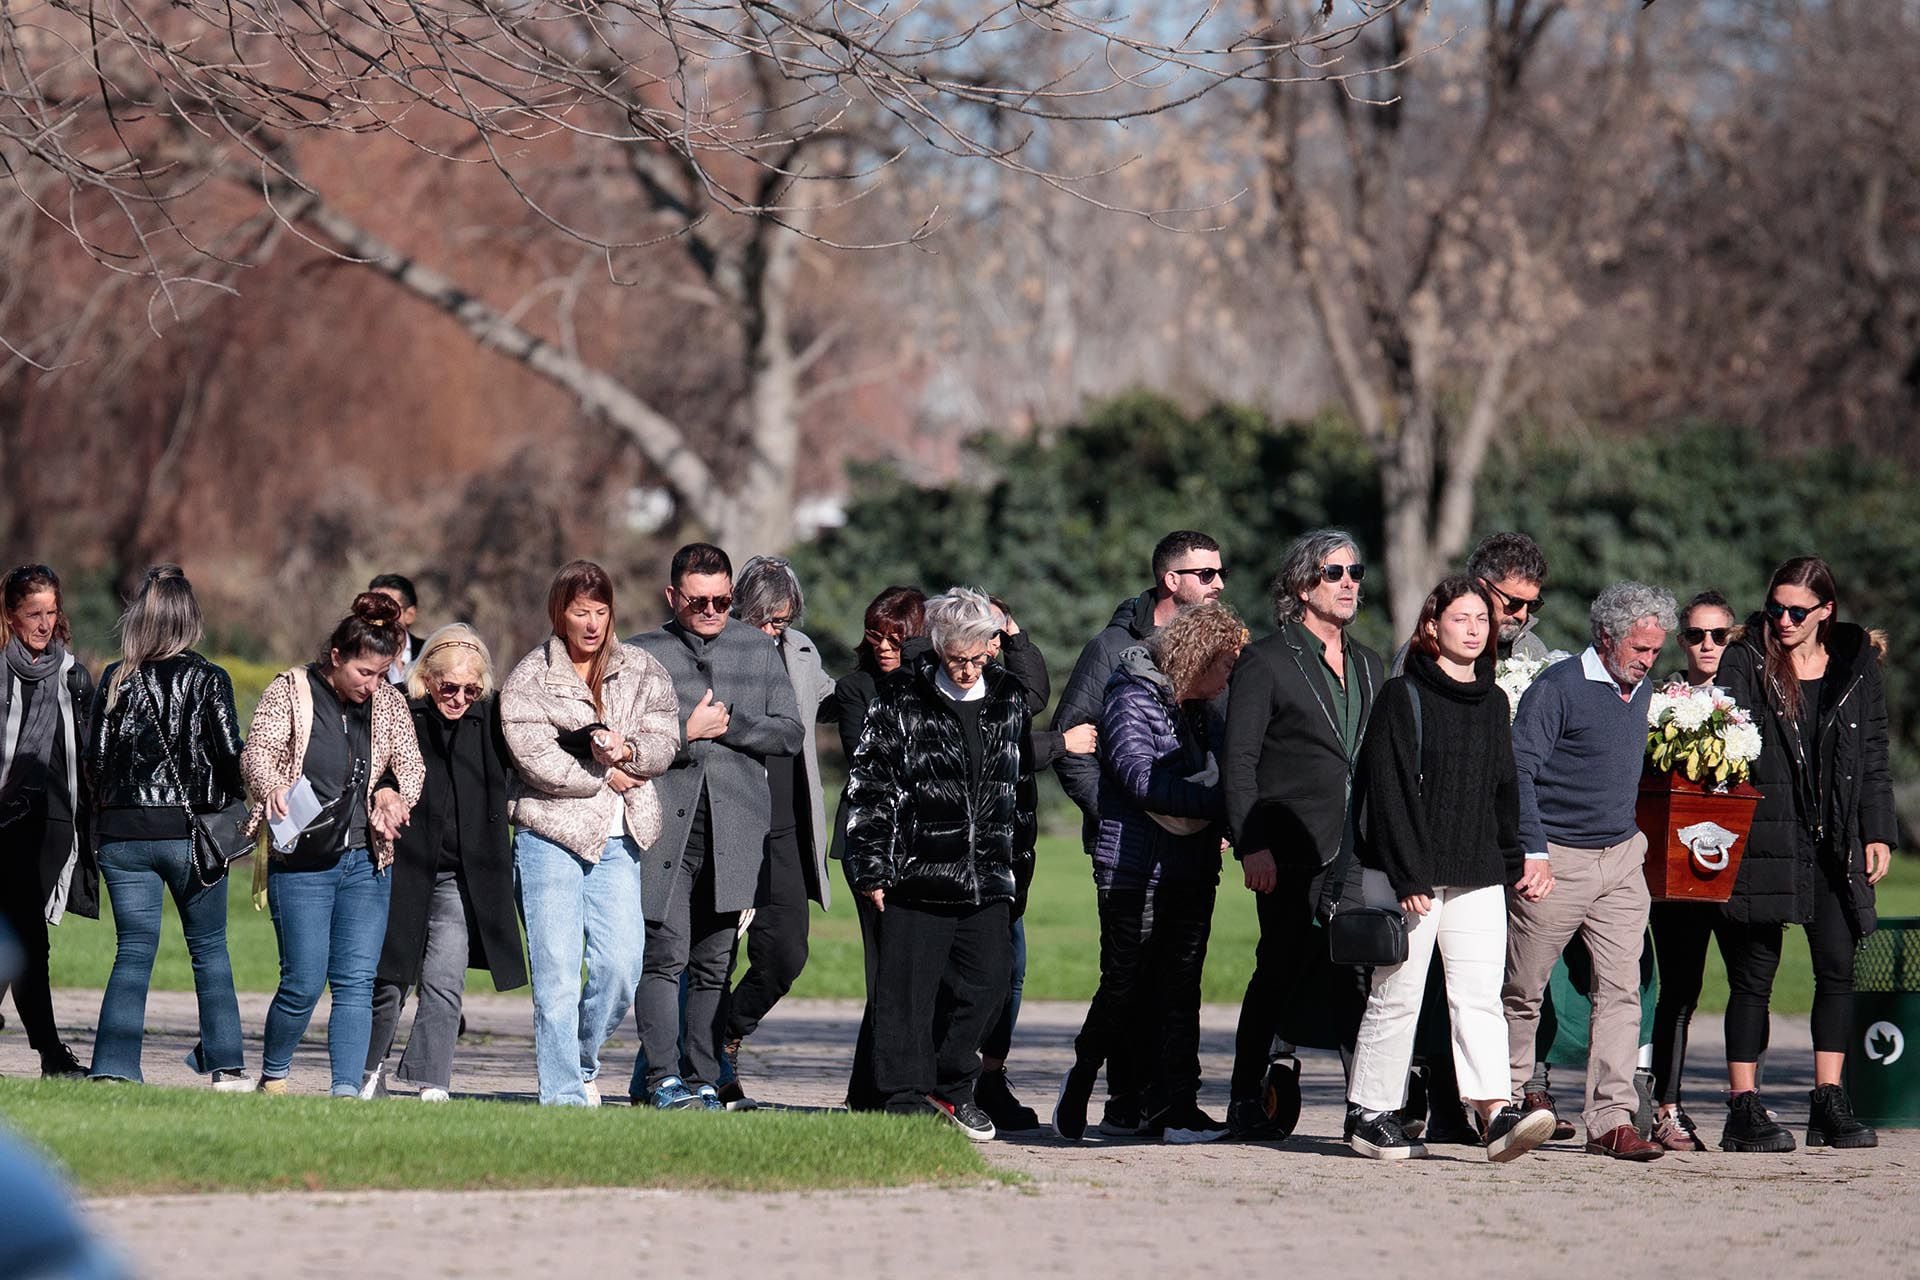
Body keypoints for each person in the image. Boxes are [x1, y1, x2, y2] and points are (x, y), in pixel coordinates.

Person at [1344, 577, 1553, 1161]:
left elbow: (1503, 790)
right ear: (1432, 627)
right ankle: (1370, 1113)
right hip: (1406, 873)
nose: (1474, 628)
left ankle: (1494, 1113)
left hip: (1477, 871)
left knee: (1479, 995)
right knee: (1398, 994)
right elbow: (1387, 793)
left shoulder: (1493, 702)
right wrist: (1410, 876)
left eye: (1482, 620)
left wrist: (1514, 863)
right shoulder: (1401, 695)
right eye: (1461, 618)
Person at [1713, 557, 1893, 1152]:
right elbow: (1724, 738)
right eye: (1776, 609)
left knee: (1836, 969)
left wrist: (1877, 831)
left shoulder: (1856, 663)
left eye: (1797, 611)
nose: (1784, 620)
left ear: (1825, 612)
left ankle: (1828, 1101)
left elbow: (1873, 755)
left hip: (1834, 841)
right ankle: (1743, 1107)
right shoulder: (1747, 659)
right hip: (1765, 836)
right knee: (1753, 977)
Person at [844, 587, 1034, 1140]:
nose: (970, 668)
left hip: (988, 877)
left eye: (980, 656)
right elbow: (870, 785)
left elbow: (1020, 791)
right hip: (917, 875)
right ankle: (903, 1097)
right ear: (939, 645)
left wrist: (1018, 867)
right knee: (906, 995)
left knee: (989, 983)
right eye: (959, 658)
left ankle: (952, 1087)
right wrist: (872, 866)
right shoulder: (902, 695)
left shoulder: (1007, 696)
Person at [1055, 601, 1244, 1143]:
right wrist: (1222, 802)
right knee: (1124, 984)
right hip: (1134, 867)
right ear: (1195, 657)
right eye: (1223, 663)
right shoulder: (1130, 695)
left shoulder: (1202, 711)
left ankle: (1177, 1105)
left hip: (1193, 864)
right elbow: (1139, 780)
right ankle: (1086, 1075)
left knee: (1182, 988)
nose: (1229, 674)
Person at [1502, 581, 1676, 1161]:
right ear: (1606, 637)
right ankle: (1507, 1103)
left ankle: (1611, 1119)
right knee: (1523, 991)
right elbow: (1518, 771)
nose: (1649, 662)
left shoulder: (1641, 687)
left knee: (1622, 992)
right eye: (1641, 649)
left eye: (1655, 651)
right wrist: (1534, 851)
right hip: (1556, 858)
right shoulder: (1556, 690)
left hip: (1622, 860)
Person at [1221, 530, 1383, 1140]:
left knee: (1358, 975)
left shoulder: (1369, 662)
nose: (1348, 583)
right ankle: (1243, 1099)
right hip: (1287, 846)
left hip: (1358, 845)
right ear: (1300, 585)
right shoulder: (1264, 660)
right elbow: (1239, 762)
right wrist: (1250, 842)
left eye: (1355, 572)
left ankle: (1365, 1109)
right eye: (1333, 572)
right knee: (1278, 969)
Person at [629, 544, 803, 1110]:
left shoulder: (757, 648)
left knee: (713, 964)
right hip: (663, 833)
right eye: (699, 600)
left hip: (734, 832)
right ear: (672, 596)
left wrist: (728, 725)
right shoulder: (640, 654)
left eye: (722, 600)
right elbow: (622, 745)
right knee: (665, 956)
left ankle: (705, 1078)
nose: (711, 610)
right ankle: (660, 1080)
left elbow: (790, 734)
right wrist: (687, 729)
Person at [501, 561, 679, 1106]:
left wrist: (630, 752)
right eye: (581, 612)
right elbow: (531, 754)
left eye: (601, 612)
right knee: (555, 974)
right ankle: (562, 1097)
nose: (593, 623)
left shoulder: (642, 669)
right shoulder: (530, 677)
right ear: (560, 613)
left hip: (620, 836)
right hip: (548, 835)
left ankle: (578, 1061)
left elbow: (666, 732)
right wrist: (604, 773)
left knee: (621, 966)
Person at [242, 592, 425, 1096]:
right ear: (337, 657)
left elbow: (410, 765)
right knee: (302, 982)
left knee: (355, 984)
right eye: (365, 672)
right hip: (301, 858)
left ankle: (345, 1094)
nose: (373, 684)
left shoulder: (388, 701)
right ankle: (274, 1076)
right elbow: (257, 750)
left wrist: (393, 794)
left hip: (366, 862)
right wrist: (272, 785)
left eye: (383, 672)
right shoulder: (292, 690)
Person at [85, 566, 249, 1089]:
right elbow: (230, 759)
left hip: (122, 835)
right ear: (191, 620)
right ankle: (225, 1066)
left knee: (132, 952)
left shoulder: (115, 678)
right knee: (209, 950)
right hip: (189, 835)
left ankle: (113, 1068)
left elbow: (96, 761)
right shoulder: (209, 679)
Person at [363, 625, 528, 1102]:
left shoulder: (493, 716)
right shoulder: (397, 708)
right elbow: (371, 761)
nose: (458, 698)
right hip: (402, 863)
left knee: (445, 977)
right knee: (391, 975)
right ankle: (368, 1067)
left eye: (471, 689)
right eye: (448, 687)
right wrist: (386, 790)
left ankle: (431, 1077)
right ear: (426, 677)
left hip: (462, 872)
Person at [717, 555, 838, 1107]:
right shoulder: (719, 651)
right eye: (765, 619)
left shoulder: (802, 652)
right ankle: (705, 1070)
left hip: (787, 830)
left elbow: (838, 699)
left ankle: (726, 1033)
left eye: (782, 621)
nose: (773, 631)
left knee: (786, 953)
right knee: (712, 955)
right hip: (729, 820)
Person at [975, 594, 1094, 1133]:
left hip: (1011, 856)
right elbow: (998, 747)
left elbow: (1033, 694)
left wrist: (1014, 631)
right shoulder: (946, 686)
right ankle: (958, 1082)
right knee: (984, 971)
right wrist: (1060, 745)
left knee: (1012, 972)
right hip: (969, 859)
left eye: (999, 636)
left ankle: (989, 1079)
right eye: (988, 632)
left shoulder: (999, 684)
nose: (996, 645)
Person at [1644, 589, 1743, 1150]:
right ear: (1682, 641)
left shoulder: (1751, 699)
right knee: (1678, 988)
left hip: (1739, 859)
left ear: (1732, 638)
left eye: (1719, 635)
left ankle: (1744, 1106)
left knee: (1747, 986)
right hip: (1679, 861)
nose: (1708, 645)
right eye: (1696, 635)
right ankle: (1665, 1104)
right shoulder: (1661, 699)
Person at [1051, 532, 1226, 844]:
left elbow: (1224, 738)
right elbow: (1072, 748)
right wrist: (1117, 819)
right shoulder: (1110, 647)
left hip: (1198, 846)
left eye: (1220, 574)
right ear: (1172, 580)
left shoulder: (1216, 653)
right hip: (1128, 853)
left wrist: (1223, 820)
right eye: (1206, 575)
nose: (1219, 585)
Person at [831, 585, 927, 1111]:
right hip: (872, 842)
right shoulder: (856, 689)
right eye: (876, 635)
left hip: (931, 846)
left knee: (918, 968)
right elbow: (871, 763)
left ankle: (878, 1089)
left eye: (899, 637)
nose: (886, 646)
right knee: (887, 968)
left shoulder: (936, 682)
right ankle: (875, 1092)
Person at [0, 564, 97, 1077]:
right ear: (11, 616)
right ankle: (53, 1056)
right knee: (23, 938)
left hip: (49, 822)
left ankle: (53, 1056)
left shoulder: (71, 672)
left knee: (23, 937)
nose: (44, 624)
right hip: (4, 820)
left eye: (51, 612)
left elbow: (83, 750)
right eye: (33, 613)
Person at [1468, 532, 1551, 662]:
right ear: (1481, 589)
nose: (1522, 615)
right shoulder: (1439, 644)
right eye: (1515, 602)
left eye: (1532, 605)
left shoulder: (1534, 652)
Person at [369, 574, 427, 687]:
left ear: (410, 614)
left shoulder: (428, 655)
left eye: (387, 608)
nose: (376, 614)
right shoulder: (356, 654)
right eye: (371, 607)